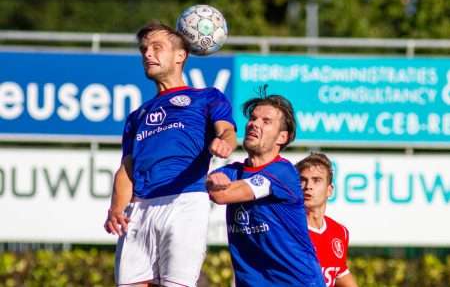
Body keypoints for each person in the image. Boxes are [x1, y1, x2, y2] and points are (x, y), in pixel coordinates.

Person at [103, 22, 237, 287]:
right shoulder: (136, 116)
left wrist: (224, 142)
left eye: (156, 48)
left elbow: (228, 132)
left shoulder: (207, 97)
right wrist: (116, 207)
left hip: (185, 201)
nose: (147, 54)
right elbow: (127, 168)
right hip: (139, 208)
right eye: (144, 50)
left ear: (180, 55)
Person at [207, 90, 325, 287]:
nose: (254, 124)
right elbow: (210, 185)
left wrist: (214, 185)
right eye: (253, 118)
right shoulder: (233, 171)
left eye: (266, 121)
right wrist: (210, 180)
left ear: (282, 137)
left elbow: (223, 194)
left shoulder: (283, 172)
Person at [296, 153, 358, 287]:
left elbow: (339, 273)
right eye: (302, 180)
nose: (308, 186)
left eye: (316, 180)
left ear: (329, 190)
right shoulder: (285, 229)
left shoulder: (340, 232)